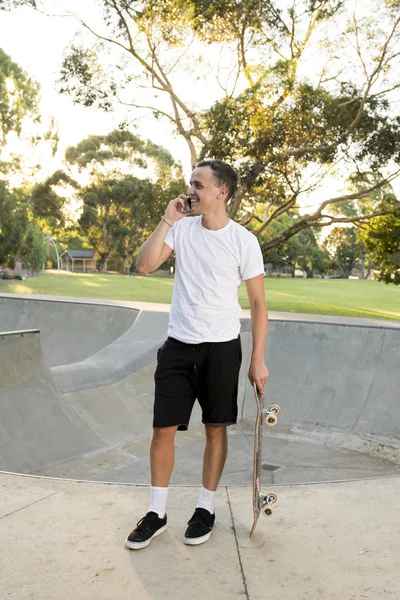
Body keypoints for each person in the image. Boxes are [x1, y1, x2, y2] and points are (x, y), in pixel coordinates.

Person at [125, 159, 269, 550]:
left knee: (215, 428)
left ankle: (205, 508)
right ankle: (157, 513)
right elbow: (144, 265)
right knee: (162, 430)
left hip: (222, 349)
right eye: (191, 183)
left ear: (222, 192)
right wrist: (167, 219)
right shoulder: (183, 229)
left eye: (198, 185)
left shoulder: (244, 241)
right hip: (178, 345)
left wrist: (257, 359)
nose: (190, 190)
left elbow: (257, 304)